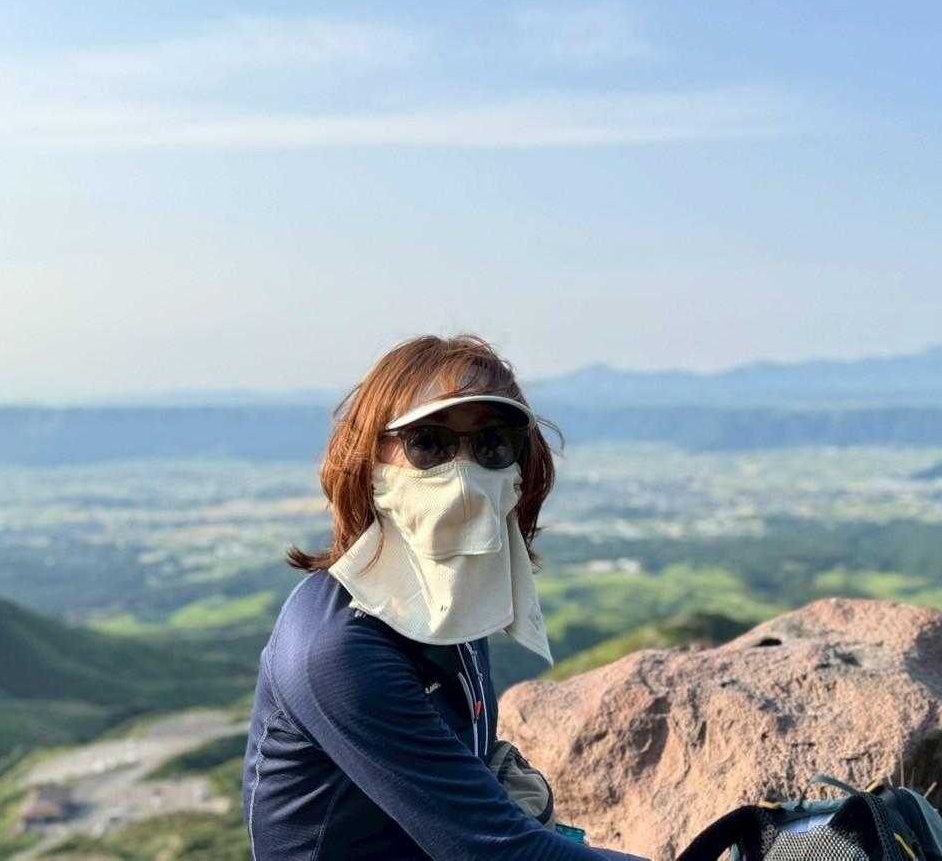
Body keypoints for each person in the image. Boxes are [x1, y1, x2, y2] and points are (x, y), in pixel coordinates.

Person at [242, 334, 642, 860]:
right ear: (369, 459)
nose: (464, 473)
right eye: (429, 443)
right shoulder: (338, 649)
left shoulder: (445, 602)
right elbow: (499, 852)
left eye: (492, 444)